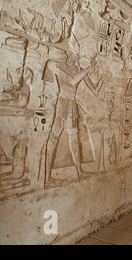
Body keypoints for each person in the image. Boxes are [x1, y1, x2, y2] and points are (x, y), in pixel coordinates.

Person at [42, 51, 103, 186]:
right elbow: (71, 81)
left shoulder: (79, 70)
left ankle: (79, 171)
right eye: (75, 55)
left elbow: (95, 90)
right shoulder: (60, 66)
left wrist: (102, 75)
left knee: (74, 138)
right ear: (68, 55)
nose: (77, 58)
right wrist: (87, 70)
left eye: (78, 55)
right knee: (54, 136)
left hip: (72, 104)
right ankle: (47, 178)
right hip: (63, 102)